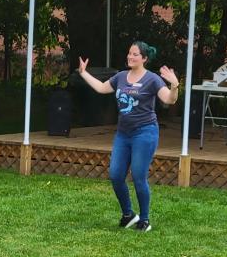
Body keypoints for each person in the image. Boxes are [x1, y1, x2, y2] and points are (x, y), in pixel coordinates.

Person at [77, 42, 181, 233]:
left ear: (144, 58)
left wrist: (174, 85)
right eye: (129, 53)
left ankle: (145, 219)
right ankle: (128, 215)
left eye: (135, 54)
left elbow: (169, 99)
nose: (130, 57)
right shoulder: (120, 77)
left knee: (139, 177)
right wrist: (83, 73)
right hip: (123, 134)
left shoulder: (152, 79)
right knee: (116, 175)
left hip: (145, 132)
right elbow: (101, 88)